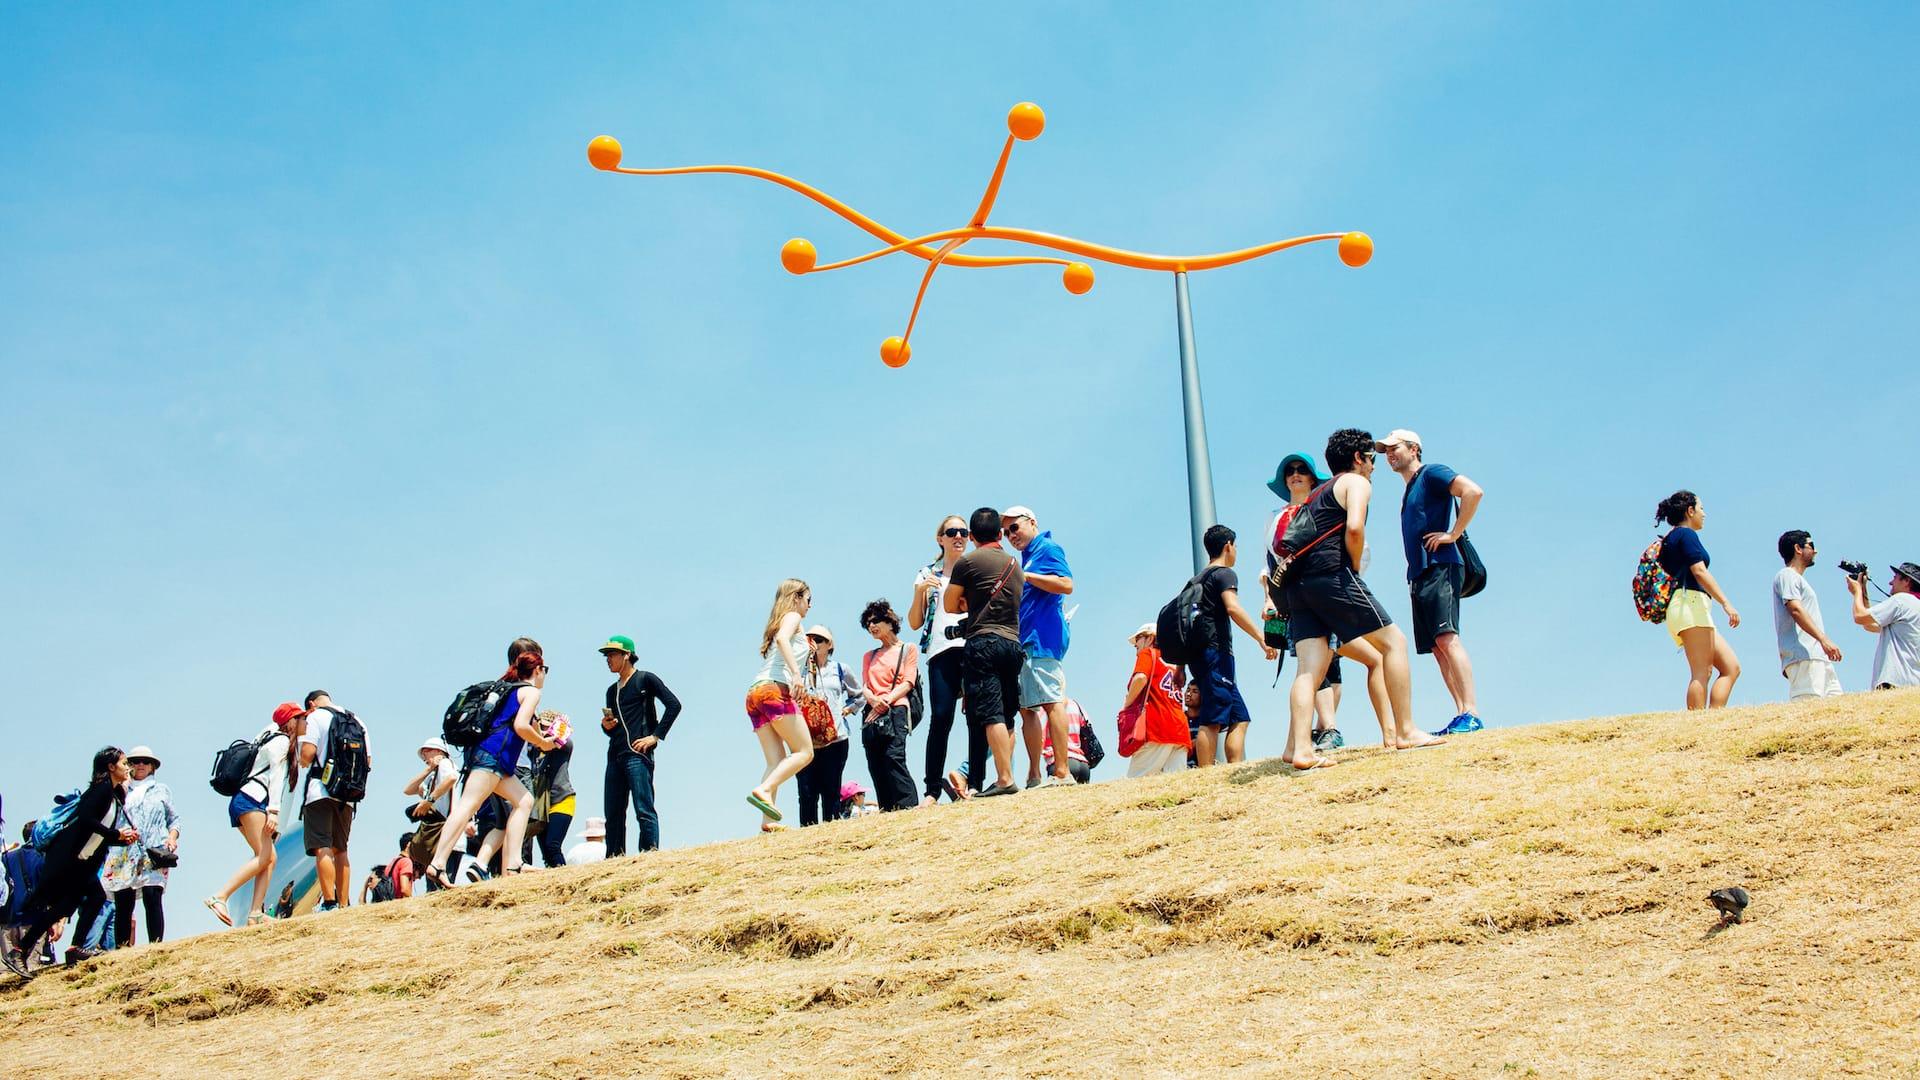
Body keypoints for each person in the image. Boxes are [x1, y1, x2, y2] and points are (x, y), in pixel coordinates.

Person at [1280, 428, 1446, 769]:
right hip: (1332, 575)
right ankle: (1406, 730)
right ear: (1358, 458)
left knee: (1309, 668)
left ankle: (1299, 750)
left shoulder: (1316, 494)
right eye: (1371, 459)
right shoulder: (1355, 483)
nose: (1373, 466)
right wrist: (1353, 566)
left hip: (1299, 586)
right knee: (1394, 643)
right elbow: (1354, 528)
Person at [1263, 452, 1395, 754]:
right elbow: (1269, 563)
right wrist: (1270, 601)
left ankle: (1298, 744)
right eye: (1290, 471)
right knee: (1323, 667)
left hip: (1303, 593)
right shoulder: (1283, 515)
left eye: (1301, 470)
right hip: (1317, 591)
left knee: (1313, 669)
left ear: (1312, 476)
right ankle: (1331, 730)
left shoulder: (1312, 506)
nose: (1295, 474)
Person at [421, 638, 559, 888]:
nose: (545, 675)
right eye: (545, 670)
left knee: (524, 801)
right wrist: (543, 743)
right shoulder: (531, 692)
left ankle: (514, 862)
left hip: (493, 760)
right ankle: (438, 864)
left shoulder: (507, 688)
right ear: (537, 670)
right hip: (493, 758)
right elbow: (520, 726)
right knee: (465, 807)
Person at [1377, 430, 1486, 736]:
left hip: (1441, 566)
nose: (1388, 454)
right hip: (1420, 573)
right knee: (1438, 647)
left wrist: (1453, 533)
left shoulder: (1432, 473)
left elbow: (1473, 491)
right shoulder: (1410, 488)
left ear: (1414, 449)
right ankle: (1461, 713)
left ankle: (1471, 711)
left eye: (1394, 448)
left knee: (1447, 637)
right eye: (1385, 450)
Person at [3, 747, 137, 977]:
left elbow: (96, 836)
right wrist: (116, 835)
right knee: (79, 902)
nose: (129, 768)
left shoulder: (114, 796)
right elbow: (86, 820)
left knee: (71, 905)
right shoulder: (101, 790)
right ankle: (29, 950)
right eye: (124, 763)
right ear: (110, 767)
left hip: (81, 863)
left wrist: (121, 840)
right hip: (68, 861)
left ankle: (61, 949)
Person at [944, 508, 1026, 797]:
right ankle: (1008, 774)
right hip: (1013, 644)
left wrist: (972, 601)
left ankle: (1005, 779)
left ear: (973, 536)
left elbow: (950, 605)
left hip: (983, 643)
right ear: (1000, 534)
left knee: (991, 715)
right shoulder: (1016, 565)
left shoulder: (968, 562)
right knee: (1008, 714)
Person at [1185, 524, 1280, 767]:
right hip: (1216, 653)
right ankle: (1207, 775)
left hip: (1199, 655)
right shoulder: (1224, 574)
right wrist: (1261, 638)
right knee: (1212, 720)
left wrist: (1178, 668)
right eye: (1235, 546)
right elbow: (1233, 608)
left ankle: (1234, 765)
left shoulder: (1195, 581)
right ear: (1228, 546)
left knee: (1240, 716)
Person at [205, 703, 304, 927]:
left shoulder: (272, 736)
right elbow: (276, 778)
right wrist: (274, 812)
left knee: (269, 858)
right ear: (291, 722)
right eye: (301, 718)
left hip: (247, 800)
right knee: (265, 856)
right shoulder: (280, 741)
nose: (305, 723)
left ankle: (255, 913)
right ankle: (220, 896)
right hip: (252, 801)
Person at [1002, 506, 1076, 788]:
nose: (1011, 535)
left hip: (1042, 639)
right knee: (1026, 709)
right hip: (1024, 641)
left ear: (1031, 523)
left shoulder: (1047, 548)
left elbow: (1067, 584)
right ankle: (1034, 775)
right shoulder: (1028, 556)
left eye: (1015, 528)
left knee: (1051, 702)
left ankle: (1061, 771)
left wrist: (1026, 576)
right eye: (1006, 532)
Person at [1654, 491, 1742, 709]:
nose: (1704, 514)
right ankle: (1698, 725)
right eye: (1701, 509)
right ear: (1690, 511)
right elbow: (1700, 571)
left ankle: (1712, 720)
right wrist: (1726, 603)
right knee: (1701, 672)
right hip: (1690, 605)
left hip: (1689, 607)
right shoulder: (1686, 535)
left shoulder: (1671, 538)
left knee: (1730, 667)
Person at [597, 635, 682, 856]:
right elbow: (614, 728)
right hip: (614, 755)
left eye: (612, 654)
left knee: (643, 807)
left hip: (637, 754)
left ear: (627, 655)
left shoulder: (645, 679)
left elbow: (674, 705)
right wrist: (607, 726)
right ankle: (614, 856)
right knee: (613, 812)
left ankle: (649, 853)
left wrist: (655, 736)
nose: (608, 659)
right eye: (606, 655)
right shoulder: (611, 691)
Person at [908, 514, 972, 805]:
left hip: (973, 647)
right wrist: (920, 592)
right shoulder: (927, 573)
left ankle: (974, 781)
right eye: (952, 532)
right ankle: (932, 790)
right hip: (940, 650)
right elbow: (913, 622)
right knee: (941, 718)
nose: (959, 536)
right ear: (940, 538)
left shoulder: (974, 568)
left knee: (979, 717)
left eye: (964, 531)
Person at [745, 580, 817, 829]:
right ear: (797, 597)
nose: (809, 605)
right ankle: (764, 788)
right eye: (809, 599)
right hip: (774, 690)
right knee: (805, 752)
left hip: (756, 692)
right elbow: (783, 641)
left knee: (776, 761)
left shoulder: (780, 621)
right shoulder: (793, 616)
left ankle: (768, 821)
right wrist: (796, 674)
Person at [299, 689, 370, 912]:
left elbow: (307, 755)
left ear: (311, 704)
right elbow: (367, 760)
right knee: (341, 849)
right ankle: (342, 903)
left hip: (320, 791)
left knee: (322, 847)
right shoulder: (356, 720)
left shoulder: (315, 717)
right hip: (348, 795)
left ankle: (328, 902)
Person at [101, 746, 180, 947]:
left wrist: (172, 838)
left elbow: (174, 819)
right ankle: (122, 947)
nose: (140, 765)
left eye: (145, 761)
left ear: (152, 766)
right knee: (124, 903)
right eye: (135, 761)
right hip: (124, 852)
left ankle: (156, 945)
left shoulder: (161, 789)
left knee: (153, 897)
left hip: (153, 850)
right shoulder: (119, 790)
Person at [859, 600, 921, 811]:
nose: (871, 626)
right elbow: (865, 686)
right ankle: (887, 808)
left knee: (894, 757)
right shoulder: (869, 655)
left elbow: (908, 681)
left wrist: (885, 701)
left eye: (876, 621)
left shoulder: (907, 649)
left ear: (890, 621)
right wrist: (874, 701)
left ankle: (908, 806)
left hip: (896, 709)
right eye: (868, 623)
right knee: (875, 761)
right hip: (871, 712)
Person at [795, 626, 859, 826]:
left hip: (836, 737)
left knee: (831, 789)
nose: (814, 643)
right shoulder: (798, 671)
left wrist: (847, 710)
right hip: (805, 740)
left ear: (829, 644)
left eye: (819, 639)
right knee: (807, 792)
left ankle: (831, 831)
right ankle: (808, 834)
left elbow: (859, 694)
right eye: (810, 638)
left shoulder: (840, 669)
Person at [1772, 530, 1844, 701]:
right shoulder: (1787, 575)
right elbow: (1795, 609)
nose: (1815, 551)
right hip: (1803, 655)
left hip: (1817, 656)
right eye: (1811, 546)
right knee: (1807, 708)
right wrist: (1824, 639)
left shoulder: (1797, 579)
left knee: (1837, 708)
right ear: (1798, 548)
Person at [1121, 624, 1189, 777]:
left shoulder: (1148, 654)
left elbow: (1140, 678)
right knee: (1175, 785)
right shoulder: (1173, 663)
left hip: (1157, 726)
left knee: (1137, 781)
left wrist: (1127, 705)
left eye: (1138, 639)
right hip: (1179, 729)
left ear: (1150, 638)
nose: (1136, 646)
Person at [1847, 561, 1920, 690]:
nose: (1890, 583)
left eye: (1895, 578)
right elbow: (1870, 624)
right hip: (1912, 684)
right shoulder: (1914, 606)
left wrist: (1857, 592)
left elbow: (1859, 617)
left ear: (1907, 581)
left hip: (1894, 681)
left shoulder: (1902, 600)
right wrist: (1864, 589)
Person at [402, 737, 457, 883]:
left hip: (446, 833)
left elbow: (451, 778)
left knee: (443, 878)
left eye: (427, 751)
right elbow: (408, 790)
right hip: (438, 834)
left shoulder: (445, 763)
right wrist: (428, 769)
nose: (424, 755)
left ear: (439, 751)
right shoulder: (433, 775)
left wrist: (429, 801)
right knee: (436, 879)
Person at [523, 728, 575, 868]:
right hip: (541, 805)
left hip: (561, 799)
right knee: (546, 853)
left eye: (547, 727)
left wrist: (551, 735)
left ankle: (563, 876)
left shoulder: (562, 747)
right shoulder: (532, 750)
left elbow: (567, 743)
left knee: (552, 845)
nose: (543, 730)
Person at [1039, 698, 1093, 784]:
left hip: (1061, 762)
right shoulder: (1076, 705)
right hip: (1083, 763)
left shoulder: (1047, 707)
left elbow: (1040, 736)